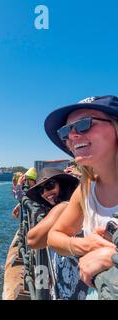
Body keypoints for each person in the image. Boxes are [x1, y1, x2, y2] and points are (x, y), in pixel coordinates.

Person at [45, 96, 118, 298]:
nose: (73, 135)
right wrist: (83, 245)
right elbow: (54, 236)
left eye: (85, 123)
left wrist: (113, 258)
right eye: (66, 131)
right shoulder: (86, 188)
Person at [26, 167, 87, 299]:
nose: (45, 192)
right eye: (40, 190)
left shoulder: (64, 206)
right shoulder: (82, 205)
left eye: (50, 185)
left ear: (63, 184)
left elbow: (32, 240)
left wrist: (57, 210)